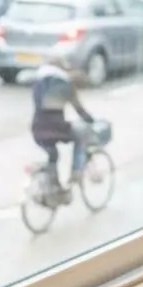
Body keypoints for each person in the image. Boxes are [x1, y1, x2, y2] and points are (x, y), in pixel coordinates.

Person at [29, 58, 95, 207]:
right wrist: (91, 121)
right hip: (56, 128)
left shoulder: (38, 82)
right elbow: (80, 110)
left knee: (53, 154)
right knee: (80, 135)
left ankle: (55, 188)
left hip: (37, 129)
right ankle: (76, 172)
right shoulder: (65, 84)